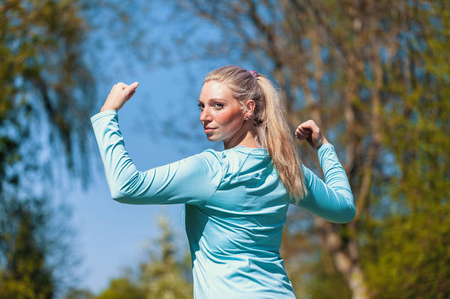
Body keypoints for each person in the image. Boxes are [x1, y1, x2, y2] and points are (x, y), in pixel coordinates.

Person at [91, 65, 355, 298]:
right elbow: (344, 209)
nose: (204, 116)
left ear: (248, 108)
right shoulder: (288, 169)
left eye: (217, 105)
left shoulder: (210, 170)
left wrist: (107, 114)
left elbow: (126, 186)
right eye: (201, 106)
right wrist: (323, 147)